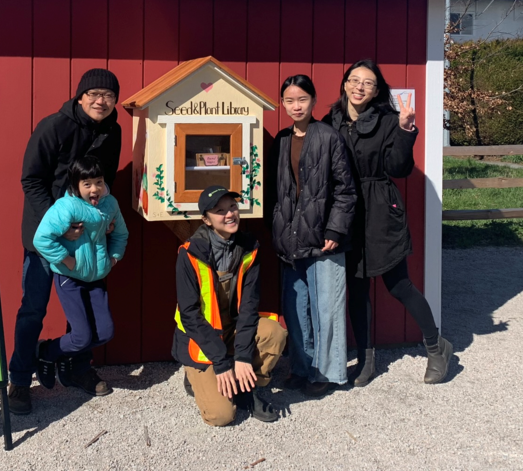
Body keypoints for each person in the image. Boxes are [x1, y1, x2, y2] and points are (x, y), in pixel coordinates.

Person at [323, 59, 452, 386]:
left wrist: (406, 129)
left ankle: (437, 347)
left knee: (399, 285)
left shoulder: (388, 121)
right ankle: (366, 359)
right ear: (345, 84)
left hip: (381, 210)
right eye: (354, 80)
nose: (359, 86)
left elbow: (398, 168)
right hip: (346, 213)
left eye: (367, 82)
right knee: (356, 289)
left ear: (377, 90)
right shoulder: (330, 121)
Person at [8, 69, 122, 414]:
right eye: (94, 94)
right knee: (34, 307)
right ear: (80, 96)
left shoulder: (113, 131)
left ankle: (76, 368)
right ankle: (19, 379)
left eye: (108, 95)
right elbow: (31, 180)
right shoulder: (53, 126)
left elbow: (106, 182)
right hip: (47, 236)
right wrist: (57, 224)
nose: (101, 101)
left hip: (86, 238)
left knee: (85, 308)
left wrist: (104, 220)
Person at [269, 74, 356, 396]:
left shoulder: (329, 137)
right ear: (282, 103)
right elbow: (276, 192)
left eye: (301, 99)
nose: (295, 106)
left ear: (314, 101)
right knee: (296, 310)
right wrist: (276, 226)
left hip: (324, 240)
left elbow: (346, 191)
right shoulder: (280, 140)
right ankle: (302, 367)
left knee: (327, 311)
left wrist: (335, 228)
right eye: (289, 100)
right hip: (291, 240)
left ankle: (328, 373)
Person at [173, 186, 288, 427]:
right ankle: (194, 375)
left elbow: (249, 308)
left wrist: (244, 357)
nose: (229, 214)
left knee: (274, 333)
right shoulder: (189, 254)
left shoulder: (249, 248)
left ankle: (248, 387)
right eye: (220, 211)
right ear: (206, 220)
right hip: (201, 339)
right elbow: (190, 315)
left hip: (233, 331)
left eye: (233, 207)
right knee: (221, 416)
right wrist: (222, 362)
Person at [33, 156, 129, 390]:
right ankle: (47, 351)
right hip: (70, 279)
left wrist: (114, 257)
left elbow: (120, 234)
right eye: (87, 184)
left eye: (98, 182)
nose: (94, 188)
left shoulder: (110, 204)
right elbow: (41, 239)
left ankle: (64, 356)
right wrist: (66, 259)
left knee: (105, 332)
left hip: (96, 278)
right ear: (76, 186)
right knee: (82, 336)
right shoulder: (67, 207)